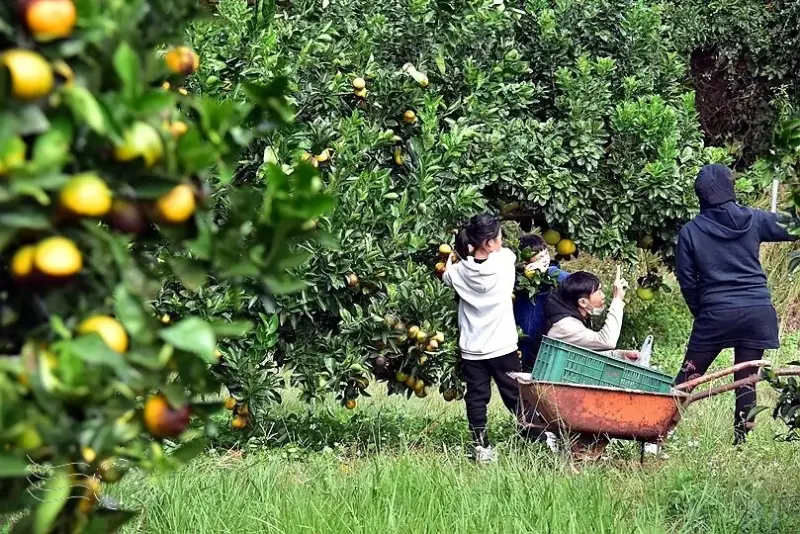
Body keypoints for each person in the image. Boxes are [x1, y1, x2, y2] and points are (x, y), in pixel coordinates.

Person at [674, 163, 797, 445]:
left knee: (687, 378)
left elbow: (687, 281)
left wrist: (703, 312)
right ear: (730, 189)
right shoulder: (754, 219)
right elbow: (793, 226)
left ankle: (655, 431)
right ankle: (741, 444)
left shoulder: (691, 232)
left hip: (715, 314)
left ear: (700, 195)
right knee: (746, 379)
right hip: (757, 311)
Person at [441, 213, 520, 463]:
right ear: (489, 243)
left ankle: (481, 446)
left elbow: (446, 274)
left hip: (473, 349)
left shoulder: (459, 272)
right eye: (498, 238)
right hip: (503, 345)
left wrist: (456, 255)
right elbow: (504, 254)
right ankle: (536, 437)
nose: (502, 242)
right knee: (516, 396)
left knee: (476, 398)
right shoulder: (506, 261)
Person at [543, 270, 638, 361]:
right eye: (599, 291)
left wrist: (619, 355)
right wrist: (617, 300)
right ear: (583, 302)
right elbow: (608, 341)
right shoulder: (565, 326)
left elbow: (585, 354)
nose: (603, 295)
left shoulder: (569, 319)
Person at [514, 234, 569, 371]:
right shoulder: (518, 281)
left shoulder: (553, 273)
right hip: (522, 339)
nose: (545, 260)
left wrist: (547, 272)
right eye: (539, 258)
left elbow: (574, 282)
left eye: (546, 254)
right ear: (525, 262)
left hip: (545, 338)